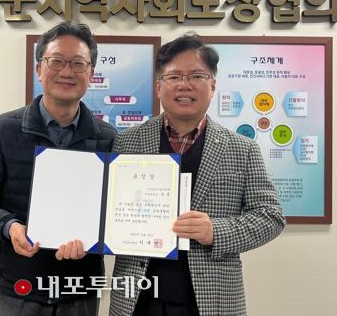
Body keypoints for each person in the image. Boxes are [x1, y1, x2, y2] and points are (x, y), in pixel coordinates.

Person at [109, 33, 285, 316]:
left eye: (196, 76)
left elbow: (271, 217)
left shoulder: (242, 149)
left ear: (212, 85)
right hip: (137, 301)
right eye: (174, 76)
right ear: (158, 86)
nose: (185, 85)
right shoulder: (127, 142)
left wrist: (215, 231)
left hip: (212, 301)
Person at [0, 20, 117, 316]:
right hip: (19, 284)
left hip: (79, 285)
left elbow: (116, 208)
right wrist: (9, 226)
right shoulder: (1, 131)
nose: (67, 72)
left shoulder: (110, 139)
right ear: (39, 69)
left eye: (78, 63)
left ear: (91, 73)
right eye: (56, 61)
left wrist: (99, 236)